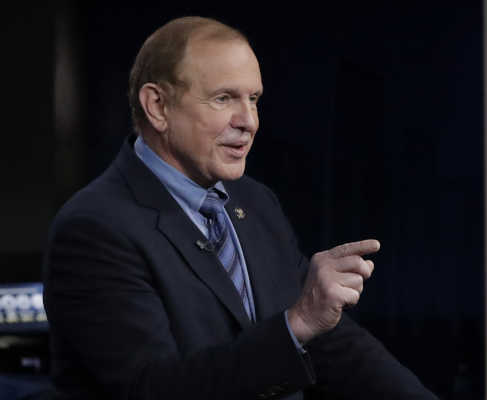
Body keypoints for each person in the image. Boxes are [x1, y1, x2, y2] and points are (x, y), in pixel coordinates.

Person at [43, 16, 438, 400]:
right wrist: (296, 324)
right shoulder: (95, 229)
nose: (249, 121)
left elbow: (327, 340)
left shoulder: (255, 202)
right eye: (223, 98)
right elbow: (152, 388)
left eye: (254, 99)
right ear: (158, 106)